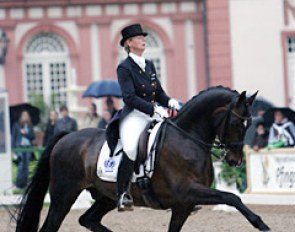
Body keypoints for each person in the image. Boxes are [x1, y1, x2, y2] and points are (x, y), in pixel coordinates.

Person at [107, 24, 181, 211]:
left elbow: (158, 93)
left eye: (143, 37)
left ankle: (175, 191)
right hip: (134, 116)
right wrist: (154, 110)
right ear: (129, 43)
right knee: (131, 148)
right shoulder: (124, 67)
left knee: (170, 142)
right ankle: (122, 194)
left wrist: (170, 101)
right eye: (139, 38)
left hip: (153, 113)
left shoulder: (149, 65)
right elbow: (129, 98)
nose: (143, 40)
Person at [11, 110, 35, 189]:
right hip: (19, 147)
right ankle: (18, 184)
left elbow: (32, 137)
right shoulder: (16, 125)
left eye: (26, 115)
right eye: (24, 115)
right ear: (21, 117)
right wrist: (13, 150)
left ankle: (25, 184)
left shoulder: (30, 126)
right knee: (21, 165)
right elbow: (13, 138)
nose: (25, 117)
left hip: (28, 148)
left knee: (26, 165)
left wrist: (26, 133)